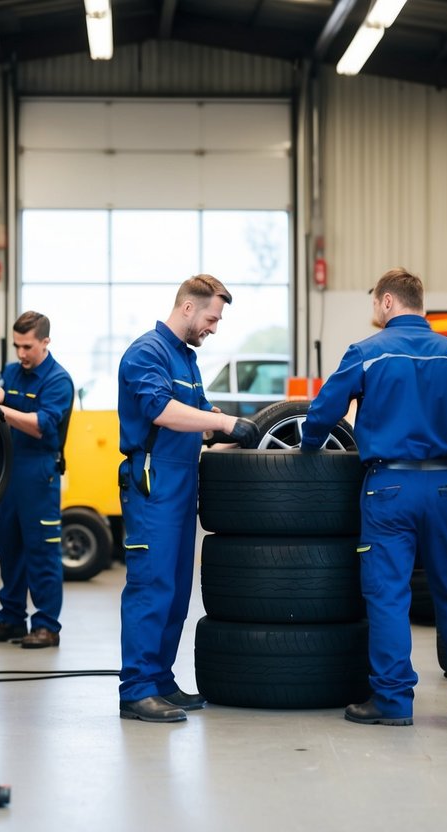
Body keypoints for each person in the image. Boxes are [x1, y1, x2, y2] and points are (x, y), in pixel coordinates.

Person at [300, 268, 447, 726]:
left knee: (388, 594)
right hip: (444, 487)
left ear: (388, 301)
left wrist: (306, 451)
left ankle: (392, 701)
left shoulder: (366, 353)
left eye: (374, 303)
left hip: (388, 487)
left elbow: (324, 412)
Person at [116, 274, 259, 723]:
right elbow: (160, 410)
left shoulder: (187, 360)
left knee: (177, 589)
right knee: (150, 585)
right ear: (187, 309)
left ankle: (159, 680)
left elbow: (194, 419)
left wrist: (221, 425)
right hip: (153, 481)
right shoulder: (147, 353)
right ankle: (136, 689)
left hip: (182, 483)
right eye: (212, 318)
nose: (214, 328)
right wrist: (221, 424)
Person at [0, 311, 74, 649]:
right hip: (11, 472)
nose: (22, 353)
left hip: (40, 473)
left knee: (41, 552)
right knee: (9, 548)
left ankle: (46, 626)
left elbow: (41, 425)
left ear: (45, 342)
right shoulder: (14, 371)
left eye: (27, 346)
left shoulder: (58, 380)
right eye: (17, 346)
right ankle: (11, 619)